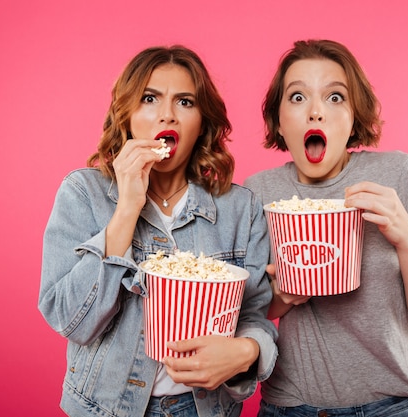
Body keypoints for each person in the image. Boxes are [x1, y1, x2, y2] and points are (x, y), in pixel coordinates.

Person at [39, 45, 277, 417]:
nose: (167, 114)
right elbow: (72, 320)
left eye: (185, 102)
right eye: (150, 98)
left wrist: (247, 351)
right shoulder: (82, 193)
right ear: (127, 114)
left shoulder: (240, 208)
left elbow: (254, 315)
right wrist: (127, 208)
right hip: (103, 408)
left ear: (203, 122)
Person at [243, 39, 408, 416]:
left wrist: (405, 233)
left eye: (335, 97)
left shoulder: (398, 173)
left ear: (354, 117)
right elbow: (248, 314)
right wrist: (285, 294)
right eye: (297, 98)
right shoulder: (258, 191)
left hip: (388, 407)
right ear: (279, 120)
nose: (315, 113)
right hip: (287, 407)